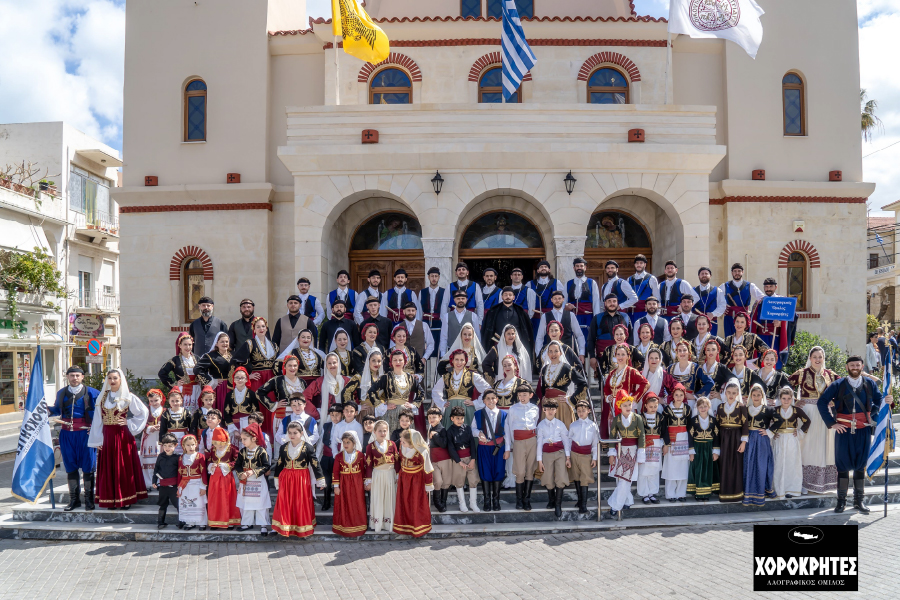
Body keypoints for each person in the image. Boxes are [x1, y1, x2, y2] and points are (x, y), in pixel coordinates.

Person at [818, 355, 893, 514]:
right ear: (847, 367)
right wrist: (832, 423)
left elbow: (880, 400)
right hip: (843, 430)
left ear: (862, 366)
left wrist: (887, 401)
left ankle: (859, 501)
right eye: (852, 365)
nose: (855, 368)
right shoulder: (838, 384)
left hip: (863, 429)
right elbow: (821, 402)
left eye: (857, 365)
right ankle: (841, 502)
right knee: (842, 466)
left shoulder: (869, 384)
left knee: (860, 465)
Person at [88, 368, 149, 509]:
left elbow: (143, 412)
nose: (112, 381)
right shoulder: (102, 397)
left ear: (120, 379)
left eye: (115, 378)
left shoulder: (127, 396)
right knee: (109, 467)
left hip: (122, 435)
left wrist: (129, 422)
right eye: (110, 378)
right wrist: (97, 439)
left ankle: (125, 499)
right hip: (107, 435)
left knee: (123, 466)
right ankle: (110, 499)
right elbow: (97, 419)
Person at [788, 346, 839, 495]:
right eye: (815, 357)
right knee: (806, 445)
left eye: (820, 357)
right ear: (810, 358)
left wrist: (834, 400)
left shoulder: (830, 374)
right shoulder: (802, 373)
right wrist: (794, 400)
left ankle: (822, 483)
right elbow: (785, 385)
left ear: (823, 358)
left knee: (823, 445)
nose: (817, 359)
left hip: (825, 415)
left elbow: (844, 388)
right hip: (807, 413)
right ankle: (803, 482)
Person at [49, 365, 99, 511]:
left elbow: (99, 414)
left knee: (88, 466)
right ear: (67, 377)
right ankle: (74, 500)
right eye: (72, 375)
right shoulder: (61, 392)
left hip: (85, 433)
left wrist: (96, 430)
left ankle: (89, 500)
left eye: (77, 375)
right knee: (70, 466)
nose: (75, 378)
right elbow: (56, 409)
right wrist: (44, 409)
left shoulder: (92, 392)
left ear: (82, 377)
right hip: (67, 434)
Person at [271, 420, 325, 538]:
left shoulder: (308, 447)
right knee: (285, 502)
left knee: (300, 502)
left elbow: (315, 464)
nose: (292, 435)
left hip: (301, 479)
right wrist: (276, 479)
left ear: (301, 433)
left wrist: (320, 479)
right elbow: (279, 464)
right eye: (290, 432)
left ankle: (301, 527)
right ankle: (283, 526)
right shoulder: (284, 447)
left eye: (295, 433)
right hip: (286, 478)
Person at [231, 317, 280, 437]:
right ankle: (255, 436)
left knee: (271, 405)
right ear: (254, 329)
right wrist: (248, 375)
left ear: (266, 328)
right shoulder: (250, 343)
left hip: (271, 380)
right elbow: (235, 360)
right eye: (258, 327)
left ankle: (270, 439)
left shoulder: (274, 345)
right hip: (258, 379)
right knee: (258, 407)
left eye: (263, 326)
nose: (261, 329)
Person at [606, 391, 645, 518]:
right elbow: (612, 436)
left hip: (633, 450)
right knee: (623, 478)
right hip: (620, 450)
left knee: (625, 479)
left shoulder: (637, 418)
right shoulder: (617, 419)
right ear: (619, 406)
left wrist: (641, 453)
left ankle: (615, 505)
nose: (628, 407)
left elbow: (642, 436)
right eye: (625, 405)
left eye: (629, 404)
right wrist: (611, 453)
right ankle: (628, 500)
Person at [768, 386, 811, 500]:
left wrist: (800, 432)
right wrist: (772, 432)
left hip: (792, 439)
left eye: (788, 398)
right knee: (778, 463)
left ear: (792, 399)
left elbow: (807, 421)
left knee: (792, 463)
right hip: (779, 440)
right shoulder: (775, 410)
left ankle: (792, 489)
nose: (786, 401)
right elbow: (766, 422)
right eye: (784, 398)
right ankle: (778, 488)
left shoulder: (796, 410)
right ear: (780, 398)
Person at [369, 349, 425, 433]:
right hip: (390, 413)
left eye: (400, 360)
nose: (397, 362)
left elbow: (421, 393)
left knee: (406, 438)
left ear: (404, 361)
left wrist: (413, 404)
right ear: (391, 362)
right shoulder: (386, 377)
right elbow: (371, 392)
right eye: (395, 360)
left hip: (405, 415)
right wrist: (382, 406)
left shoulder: (410, 378)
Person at [433, 348, 492, 429]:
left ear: (465, 362)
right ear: (452, 361)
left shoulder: (472, 375)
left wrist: (476, 403)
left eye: (462, 360)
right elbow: (435, 391)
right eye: (456, 359)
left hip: (466, 409)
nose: (459, 362)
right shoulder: (446, 377)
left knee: (467, 432)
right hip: (451, 409)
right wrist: (442, 404)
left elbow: (488, 390)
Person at [505, 381, 540, 510]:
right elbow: (508, 427)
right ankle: (519, 500)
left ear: (530, 395)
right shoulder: (513, 409)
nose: (522, 397)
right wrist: (509, 445)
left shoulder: (535, 408)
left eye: (525, 394)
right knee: (520, 472)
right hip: (518, 441)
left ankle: (527, 500)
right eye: (520, 395)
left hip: (532, 440)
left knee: (530, 470)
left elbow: (536, 424)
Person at [537, 340, 588, 427]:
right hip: (547, 407)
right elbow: (543, 388)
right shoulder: (545, 369)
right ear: (547, 354)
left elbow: (583, 383)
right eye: (550, 351)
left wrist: (570, 399)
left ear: (560, 353)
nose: (553, 354)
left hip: (561, 406)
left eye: (556, 351)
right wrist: (544, 397)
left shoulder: (567, 368)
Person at [394, 429, 435, 537]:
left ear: (412, 442)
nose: (401, 443)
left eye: (404, 442)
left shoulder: (422, 451)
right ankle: (404, 526)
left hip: (416, 481)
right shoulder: (402, 447)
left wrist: (428, 485)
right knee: (404, 503)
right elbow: (399, 460)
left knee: (416, 504)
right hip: (404, 479)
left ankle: (418, 527)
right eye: (401, 441)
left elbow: (427, 469)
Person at [602, 343, 649, 436]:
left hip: (626, 405)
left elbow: (646, 384)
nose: (620, 357)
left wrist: (634, 398)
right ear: (615, 356)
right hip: (613, 405)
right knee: (614, 430)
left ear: (628, 356)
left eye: (623, 354)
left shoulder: (631, 371)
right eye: (618, 354)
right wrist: (608, 397)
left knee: (626, 430)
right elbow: (607, 387)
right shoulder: (612, 373)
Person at [472, 389, 507, 512]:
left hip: (499, 448)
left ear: (497, 399)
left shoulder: (503, 414)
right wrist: (479, 433)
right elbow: (472, 429)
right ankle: (487, 501)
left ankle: (496, 500)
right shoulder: (478, 414)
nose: (490, 400)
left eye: (493, 398)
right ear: (484, 401)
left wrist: (508, 449)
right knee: (485, 472)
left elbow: (507, 433)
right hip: (484, 447)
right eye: (488, 398)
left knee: (499, 471)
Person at [715, 379, 750, 504]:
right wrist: (716, 446)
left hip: (736, 438)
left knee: (736, 465)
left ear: (737, 394)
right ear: (725, 393)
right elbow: (717, 427)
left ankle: (736, 493)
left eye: (734, 393)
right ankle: (724, 493)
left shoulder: (741, 407)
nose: (731, 395)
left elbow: (745, 425)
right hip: (724, 438)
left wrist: (743, 442)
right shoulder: (720, 407)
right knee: (724, 464)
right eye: (729, 392)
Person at [536, 399, 571, 519]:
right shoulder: (541, 425)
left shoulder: (560, 424)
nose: (550, 411)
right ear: (544, 410)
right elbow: (539, 443)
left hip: (560, 453)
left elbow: (566, 441)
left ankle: (558, 504)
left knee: (561, 477)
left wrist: (568, 457)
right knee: (547, 477)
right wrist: (539, 461)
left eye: (552, 409)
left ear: (556, 410)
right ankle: (551, 500)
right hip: (547, 453)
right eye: (548, 409)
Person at [742, 383, 776, 507]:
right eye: (754, 395)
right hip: (749, 439)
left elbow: (779, 420)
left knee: (761, 465)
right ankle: (748, 492)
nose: (756, 397)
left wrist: (769, 431)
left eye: (758, 395)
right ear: (751, 396)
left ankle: (761, 491)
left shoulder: (768, 409)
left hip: (762, 440)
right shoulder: (746, 409)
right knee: (749, 465)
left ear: (762, 396)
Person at [235, 422, 272, 535]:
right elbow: (237, 465)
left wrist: (253, 471)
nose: (242, 441)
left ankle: (263, 524)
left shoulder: (261, 451)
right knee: (246, 502)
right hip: (246, 481)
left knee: (261, 502)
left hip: (258, 481)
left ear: (254, 438)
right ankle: (247, 523)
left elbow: (266, 466)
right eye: (242, 439)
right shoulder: (242, 452)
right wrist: (241, 474)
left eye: (245, 439)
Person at [364, 419, 399, 532]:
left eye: (384, 431)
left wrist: (397, 475)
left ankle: (389, 523)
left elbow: (397, 461)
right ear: (374, 431)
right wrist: (368, 481)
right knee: (378, 498)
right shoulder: (370, 446)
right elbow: (368, 464)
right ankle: (378, 524)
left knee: (390, 498)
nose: (383, 433)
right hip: (377, 476)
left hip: (390, 475)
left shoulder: (392, 444)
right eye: (380, 431)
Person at [587, 294, 632, 378]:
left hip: (623, 356)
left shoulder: (625, 317)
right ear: (605, 303)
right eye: (609, 301)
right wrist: (592, 357)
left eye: (614, 301)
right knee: (604, 382)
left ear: (617, 303)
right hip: (603, 357)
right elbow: (591, 339)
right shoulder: (597, 318)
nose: (612, 304)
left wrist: (629, 353)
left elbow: (630, 338)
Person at [331, 431, 367, 537]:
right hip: (343, 484)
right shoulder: (339, 456)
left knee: (357, 504)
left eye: (348, 442)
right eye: (344, 442)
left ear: (354, 443)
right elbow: (335, 472)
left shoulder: (360, 455)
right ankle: (343, 527)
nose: (346, 444)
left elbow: (364, 470)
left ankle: (358, 526)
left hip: (357, 485)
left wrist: (365, 482)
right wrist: (336, 486)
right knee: (344, 504)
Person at [205, 426, 242, 530]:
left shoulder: (232, 448)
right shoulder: (213, 449)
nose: (218, 447)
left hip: (227, 478)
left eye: (221, 445)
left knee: (227, 497)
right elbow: (209, 460)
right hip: (215, 479)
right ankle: (215, 521)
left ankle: (230, 521)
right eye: (216, 444)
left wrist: (227, 465)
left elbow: (237, 462)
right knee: (215, 499)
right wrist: (211, 465)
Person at [482, 287, 534, 359]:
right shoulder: (493, 311)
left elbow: (528, 331)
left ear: (513, 297)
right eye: (505, 295)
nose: (508, 297)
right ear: (502, 297)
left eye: (510, 295)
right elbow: (486, 330)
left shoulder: (521, 312)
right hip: (498, 344)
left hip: (516, 345)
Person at [661, 383, 692, 502]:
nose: (679, 397)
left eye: (681, 395)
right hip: (671, 442)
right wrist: (666, 444)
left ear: (684, 396)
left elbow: (690, 428)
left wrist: (691, 446)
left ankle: (681, 493)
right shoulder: (667, 410)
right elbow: (664, 428)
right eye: (676, 395)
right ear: (672, 396)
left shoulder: (687, 409)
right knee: (671, 468)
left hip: (684, 441)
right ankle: (670, 494)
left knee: (683, 467)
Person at [567, 400, 599, 514]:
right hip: (574, 453)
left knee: (584, 478)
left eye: (583, 410)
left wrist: (594, 458)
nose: (581, 413)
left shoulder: (593, 426)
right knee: (576, 477)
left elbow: (595, 443)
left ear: (589, 411)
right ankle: (579, 500)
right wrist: (568, 456)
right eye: (579, 411)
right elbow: (569, 441)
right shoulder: (573, 425)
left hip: (586, 454)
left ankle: (583, 505)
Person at [447, 405, 480, 512]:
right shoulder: (450, 431)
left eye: (462, 418)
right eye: (457, 418)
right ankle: (462, 504)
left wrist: (473, 459)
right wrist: (459, 461)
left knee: (473, 480)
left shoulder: (467, 428)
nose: (460, 420)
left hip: (470, 458)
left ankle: (473, 503)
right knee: (459, 481)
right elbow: (451, 448)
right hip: (458, 460)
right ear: (452, 418)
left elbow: (472, 444)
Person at [718, 263, 765, 338]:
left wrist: (753, 311)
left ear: (742, 272)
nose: (737, 273)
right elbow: (715, 298)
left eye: (739, 271)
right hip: (729, 318)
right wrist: (722, 309)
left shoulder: (750, 286)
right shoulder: (724, 286)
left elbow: (762, 299)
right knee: (729, 340)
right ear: (732, 273)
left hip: (744, 318)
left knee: (744, 340)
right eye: (735, 271)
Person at [158, 332, 202, 412]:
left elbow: (205, 372)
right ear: (180, 345)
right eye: (185, 344)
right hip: (183, 390)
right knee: (183, 411)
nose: (188, 347)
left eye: (190, 344)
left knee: (196, 411)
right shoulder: (175, 360)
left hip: (197, 389)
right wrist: (174, 383)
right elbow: (162, 373)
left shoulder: (197, 358)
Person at [749, 278, 790, 363]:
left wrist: (781, 323)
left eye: (771, 286)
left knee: (774, 363)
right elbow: (753, 320)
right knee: (761, 363)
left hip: (775, 338)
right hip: (761, 338)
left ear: (776, 287)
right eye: (766, 287)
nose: (768, 289)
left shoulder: (783, 301)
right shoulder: (759, 302)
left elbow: (790, 318)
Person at [300, 352, 350, 421]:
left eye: (334, 362)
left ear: (338, 363)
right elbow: (304, 397)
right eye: (329, 363)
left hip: (344, 418)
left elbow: (354, 397)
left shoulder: (346, 381)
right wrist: (316, 414)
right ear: (326, 365)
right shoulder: (320, 381)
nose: (332, 365)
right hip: (326, 419)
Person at [687, 396, 720, 502]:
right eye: (700, 407)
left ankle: (707, 493)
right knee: (699, 469)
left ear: (709, 407)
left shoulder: (713, 420)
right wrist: (691, 452)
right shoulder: (693, 421)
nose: (703, 409)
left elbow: (717, 436)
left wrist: (716, 451)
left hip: (709, 448)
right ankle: (698, 493)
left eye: (705, 406)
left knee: (708, 470)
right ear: (697, 407)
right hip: (698, 448)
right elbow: (690, 437)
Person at [666, 341, 714, 409]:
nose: (682, 353)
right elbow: (664, 385)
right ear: (677, 353)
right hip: (674, 403)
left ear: (689, 352)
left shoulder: (696, 368)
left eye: (684, 350)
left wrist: (695, 396)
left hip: (689, 403)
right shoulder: (670, 368)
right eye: (679, 350)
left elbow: (710, 383)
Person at [535, 290, 584, 355]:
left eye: (559, 298)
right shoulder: (545, 316)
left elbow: (579, 335)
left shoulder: (571, 315)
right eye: (555, 299)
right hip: (551, 354)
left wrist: (582, 353)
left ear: (563, 299)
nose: (557, 300)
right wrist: (539, 355)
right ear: (551, 300)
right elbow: (540, 337)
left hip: (567, 353)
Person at [196, 331, 234, 414]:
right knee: (222, 409)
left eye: (226, 341)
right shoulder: (211, 356)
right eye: (222, 342)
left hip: (232, 387)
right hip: (220, 388)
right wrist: (212, 380)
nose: (225, 344)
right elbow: (197, 369)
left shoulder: (232, 355)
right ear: (216, 343)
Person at [566, 257, 602, 342]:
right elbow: (564, 301)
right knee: (573, 339)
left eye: (581, 266)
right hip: (573, 316)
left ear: (585, 268)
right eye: (577, 266)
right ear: (574, 268)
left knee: (587, 339)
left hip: (588, 317)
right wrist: (566, 307)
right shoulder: (568, 283)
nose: (579, 268)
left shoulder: (592, 283)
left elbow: (596, 302)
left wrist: (596, 320)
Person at [176, 434, 208, 530]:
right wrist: (179, 486)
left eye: (193, 444)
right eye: (188, 445)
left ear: (196, 444)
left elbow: (203, 472)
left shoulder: (200, 456)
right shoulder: (181, 458)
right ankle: (190, 522)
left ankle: (202, 523)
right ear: (183, 446)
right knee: (187, 503)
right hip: (185, 484)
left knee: (199, 503)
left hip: (197, 483)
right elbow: (179, 473)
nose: (191, 447)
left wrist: (203, 486)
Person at [637, 393, 664, 504]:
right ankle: (644, 494)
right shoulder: (640, 417)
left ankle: (652, 493)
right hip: (644, 445)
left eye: (655, 406)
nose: (653, 409)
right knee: (643, 470)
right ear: (646, 406)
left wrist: (664, 444)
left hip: (657, 444)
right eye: (651, 406)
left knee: (654, 470)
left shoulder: (660, 417)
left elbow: (663, 431)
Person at [223, 367, 260, 448]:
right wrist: (234, 430)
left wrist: (249, 428)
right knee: (234, 448)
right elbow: (226, 413)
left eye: (242, 378)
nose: (240, 380)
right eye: (237, 378)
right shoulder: (229, 395)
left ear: (246, 379)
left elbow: (256, 412)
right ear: (234, 379)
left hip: (248, 425)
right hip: (234, 426)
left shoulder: (252, 394)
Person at [440, 290, 482, 358]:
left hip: (469, 353)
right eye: (458, 299)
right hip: (452, 352)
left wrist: (477, 353)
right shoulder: (447, 316)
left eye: (463, 298)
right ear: (454, 300)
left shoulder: (473, 316)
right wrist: (443, 354)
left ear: (466, 300)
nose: (460, 300)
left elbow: (477, 336)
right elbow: (444, 337)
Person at [345, 347, 384, 422]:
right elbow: (346, 392)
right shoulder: (360, 377)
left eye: (379, 361)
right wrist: (356, 407)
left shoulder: (383, 377)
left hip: (381, 412)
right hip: (366, 412)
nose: (376, 364)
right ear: (368, 361)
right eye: (373, 360)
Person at [527, 260, 565, 337]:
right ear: (538, 270)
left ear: (549, 270)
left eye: (545, 267)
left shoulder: (556, 283)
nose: (543, 268)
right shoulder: (530, 284)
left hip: (552, 316)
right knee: (537, 337)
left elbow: (562, 299)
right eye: (541, 267)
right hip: (536, 317)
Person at [317, 404, 343, 511]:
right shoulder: (326, 426)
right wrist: (317, 457)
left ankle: (340, 503)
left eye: (337, 415)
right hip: (326, 457)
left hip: (339, 458)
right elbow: (321, 442)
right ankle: (326, 501)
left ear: (342, 415)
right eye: (332, 415)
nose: (335, 417)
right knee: (326, 480)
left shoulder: (344, 426)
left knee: (339, 480)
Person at [426, 407, 452, 513]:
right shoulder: (430, 429)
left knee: (446, 482)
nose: (431, 419)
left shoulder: (442, 430)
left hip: (445, 459)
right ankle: (437, 502)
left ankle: (443, 502)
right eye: (429, 417)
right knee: (438, 481)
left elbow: (443, 444)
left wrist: (435, 435)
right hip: (433, 459)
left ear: (440, 417)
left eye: (434, 417)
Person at [153, 434, 180, 529]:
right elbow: (156, 469)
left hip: (174, 486)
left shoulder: (178, 457)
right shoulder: (160, 456)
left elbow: (180, 472)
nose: (167, 448)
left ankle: (181, 522)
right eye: (165, 445)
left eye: (170, 446)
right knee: (162, 504)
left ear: (175, 445)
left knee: (177, 504)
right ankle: (161, 522)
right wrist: (154, 481)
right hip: (163, 486)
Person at [141, 389, 165, 490]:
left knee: (159, 459)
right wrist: (150, 428)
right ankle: (148, 483)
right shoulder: (146, 410)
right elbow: (141, 422)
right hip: (149, 437)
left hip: (160, 438)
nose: (154, 403)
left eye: (156, 400)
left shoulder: (165, 411)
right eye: (151, 401)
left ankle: (159, 482)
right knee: (147, 461)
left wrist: (162, 427)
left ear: (161, 399)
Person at [419, 267, 447, 352]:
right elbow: (419, 309)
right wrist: (419, 322)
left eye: (436, 276)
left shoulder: (444, 292)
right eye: (432, 276)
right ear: (428, 277)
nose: (434, 278)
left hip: (439, 321)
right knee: (426, 342)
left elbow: (446, 308)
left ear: (439, 277)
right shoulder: (422, 292)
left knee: (438, 342)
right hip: (426, 321)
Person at [698, 339, 732, 410]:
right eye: (708, 350)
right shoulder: (699, 368)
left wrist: (721, 396)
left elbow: (734, 381)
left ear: (718, 351)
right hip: (701, 402)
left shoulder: (722, 368)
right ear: (705, 351)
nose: (711, 352)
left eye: (713, 349)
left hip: (715, 402)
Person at [627, 254, 660, 323]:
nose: (639, 265)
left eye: (641, 263)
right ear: (634, 265)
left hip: (645, 313)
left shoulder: (652, 278)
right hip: (631, 313)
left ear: (645, 265)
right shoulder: (629, 279)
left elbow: (657, 297)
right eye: (637, 263)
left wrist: (657, 313)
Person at [159, 387, 192, 453]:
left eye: (177, 401)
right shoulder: (166, 414)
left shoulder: (186, 412)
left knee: (183, 455)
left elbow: (191, 428)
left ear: (181, 401)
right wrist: (162, 444)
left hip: (184, 439)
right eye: (172, 401)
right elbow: (162, 430)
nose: (175, 403)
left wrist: (192, 440)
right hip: (170, 440)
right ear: (169, 401)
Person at [694, 267, 725, 337]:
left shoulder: (717, 291)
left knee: (711, 341)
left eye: (706, 273)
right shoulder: (693, 291)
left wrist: (713, 314)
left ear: (710, 276)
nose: (704, 275)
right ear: (699, 276)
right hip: (696, 323)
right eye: (702, 274)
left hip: (712, 323)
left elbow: (722, 305)